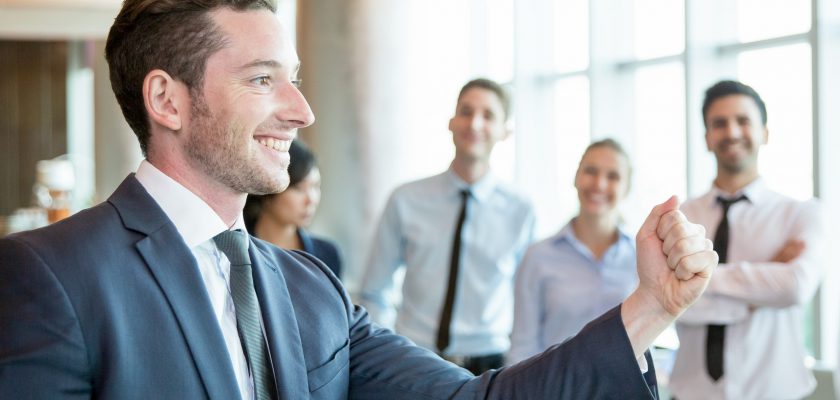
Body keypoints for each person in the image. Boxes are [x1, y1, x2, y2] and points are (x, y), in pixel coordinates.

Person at [0, 0, 718, 398]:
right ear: (168, 99)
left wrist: (650, 307)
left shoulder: (311, 290)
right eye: (261, 80)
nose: (301, 109)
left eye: (296, 77)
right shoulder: (48, 274)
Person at [359, 78, 535, 374]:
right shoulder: (406, 199)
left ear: (505, 131)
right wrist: (388, 354)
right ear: (452, 122)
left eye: (488, 115)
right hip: (413, 359)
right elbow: (374, 291)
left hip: (491, 367)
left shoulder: (521, 210)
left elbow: (527, 301)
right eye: (466, 112)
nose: (474, 123)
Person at [669, 80, 825, 400]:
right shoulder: (679, 218)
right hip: (691, 393)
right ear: (707, 139)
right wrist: (766, 276)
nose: (732, 132)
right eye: (719, 123)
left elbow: (795, 286)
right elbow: (675, 306)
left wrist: (698, 283)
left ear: (764, 132)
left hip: (777, 392)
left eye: (743, 121)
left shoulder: (801, 214)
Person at [508, 138, 638, 364]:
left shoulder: (642, 258)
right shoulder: (538, 257)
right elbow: (523, 346)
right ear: (576, 177)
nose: (599, 184)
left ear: (626, 189)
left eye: (613, 176)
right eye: (591, 171)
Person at [244, 139, 342, 279]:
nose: (311, 200)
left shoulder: (327, 255)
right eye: (298, 188)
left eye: (315, 186)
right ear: (268, 190)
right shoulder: (238, 250)